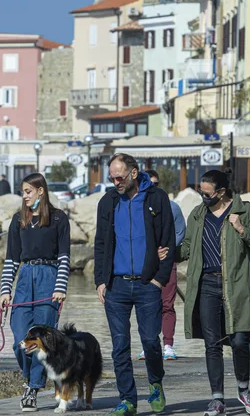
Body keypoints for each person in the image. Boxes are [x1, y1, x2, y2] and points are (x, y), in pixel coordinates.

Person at [176, 170, 250, 416]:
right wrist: (168, 253)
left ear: (221, 192)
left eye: (206, 193)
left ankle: (243, 389)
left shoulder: (246, 212)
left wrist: (241, 229)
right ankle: (217, 399)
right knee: (212, 344)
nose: (203, 197)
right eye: (201, 192)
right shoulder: (198, 214)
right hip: (206, 285)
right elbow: (187, 247)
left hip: (236, 285)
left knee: (239, 341)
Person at [93, 154, 175, 416]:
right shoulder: (107, 201)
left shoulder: (156, 198)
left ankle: (155, 383)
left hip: (147, 284)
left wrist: (158, 279)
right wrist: (100, 281)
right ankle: (127, 399)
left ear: (134, 173)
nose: (116, 182)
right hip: (115, 285)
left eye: (120, 177)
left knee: (151, 341)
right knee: (119, 346)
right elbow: (100, 243)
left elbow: (168, 240)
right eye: (112, 178)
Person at [0, 173, 71, 412]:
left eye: (28, 191)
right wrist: (5, 290)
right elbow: (11, 259)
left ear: (41, 191)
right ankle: (34, 378)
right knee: (21, 340)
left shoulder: (59, 219)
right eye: (23, 192)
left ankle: (32, 388)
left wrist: (60, 287)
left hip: (49, 278)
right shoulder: (18, 219)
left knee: (42, 341)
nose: (25, 196)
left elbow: (64, 257)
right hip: (25, 279)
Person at [138, 170, 186, 361]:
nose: (152, 187)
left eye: (156, 184)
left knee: (167, 304)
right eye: (148, 184)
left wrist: (166, 249)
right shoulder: (136, 207)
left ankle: (168, 345)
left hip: (167, 262)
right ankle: (148, 344)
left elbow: (181, 232)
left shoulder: (172, 207)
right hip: (144, 265)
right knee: (145, 306)